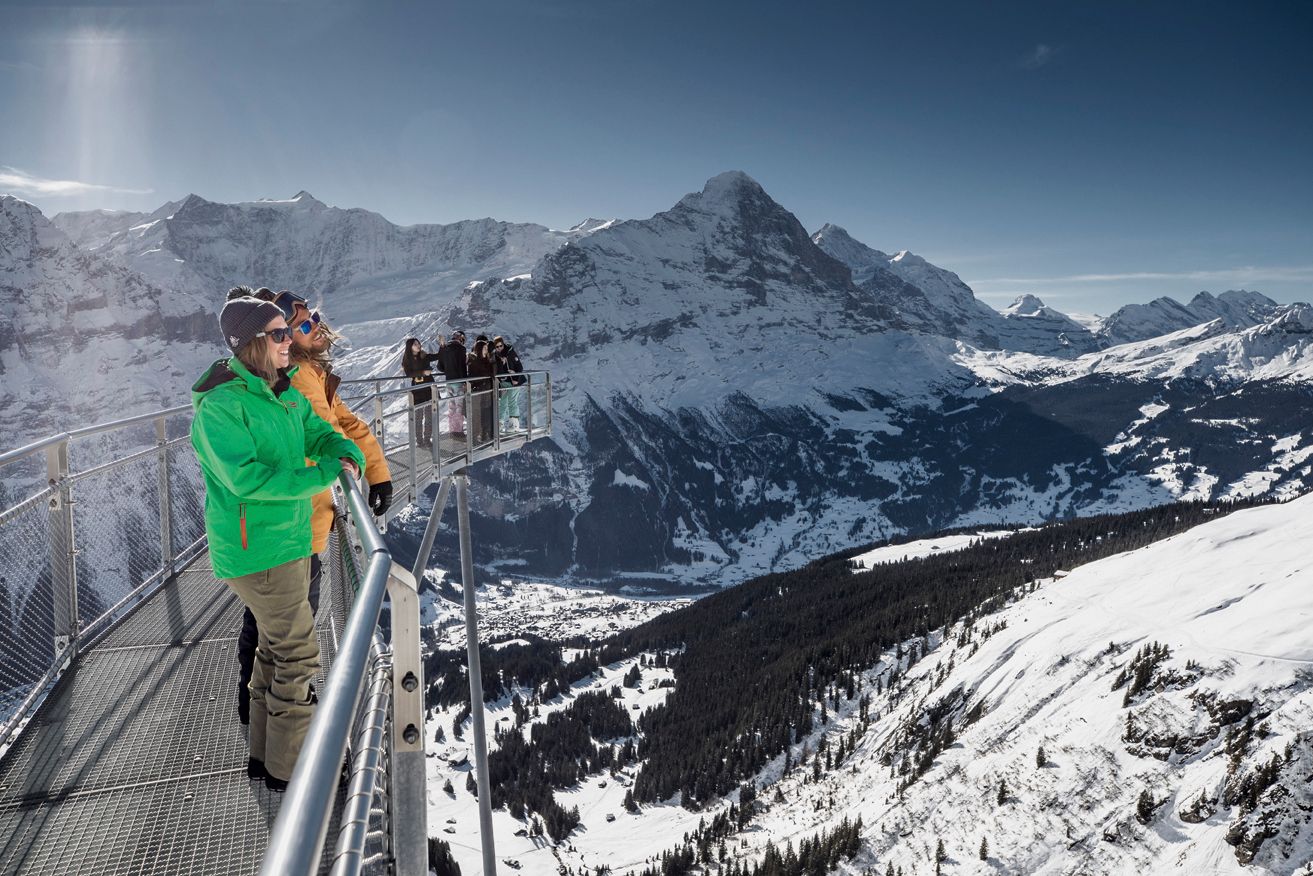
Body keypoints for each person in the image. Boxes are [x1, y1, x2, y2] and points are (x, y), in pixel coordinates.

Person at [191, 295, 366, 792]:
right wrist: (323, 475)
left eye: (288, 332)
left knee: (274, 649)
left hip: (285, 541)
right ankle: (294, 772)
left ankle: (266, 757)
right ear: (250, 344)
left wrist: (343, 451)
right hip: (257, 550)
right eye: (279, 333)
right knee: (297, 654)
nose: (290, 339)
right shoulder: (222, 406)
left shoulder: (281, 392)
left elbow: (318, 432)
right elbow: (247, 480)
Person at [228, 287, 393, 730]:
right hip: (295, 523)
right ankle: (282, 725)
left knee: (277, 627)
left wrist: (373, 467)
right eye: (295, 327)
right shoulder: (295, 378)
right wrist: (340, 471)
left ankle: (266, 714)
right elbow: (321, 436)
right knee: (289, 635)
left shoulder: (303, 375)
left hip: (297, 519)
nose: (312, 327)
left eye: (311, 317)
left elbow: (336, 429)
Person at [402, 336, 443, 447]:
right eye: (415, 344)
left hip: (429, 388)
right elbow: (409, 373)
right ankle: (419, 441)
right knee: (418, 417)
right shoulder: (407, 359)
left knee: (429, 416)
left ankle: (427, 439)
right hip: (417, 390)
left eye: (418, 343)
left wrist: (442, 345)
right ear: (410, 347)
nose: (418, 345)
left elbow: (439, 356)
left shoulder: (424, 356)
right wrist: (423, 372)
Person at [437, 330, 468, 438]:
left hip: (449, 382)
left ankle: (452, 431)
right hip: (459, 382)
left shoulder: (445, 348)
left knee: (452, 408)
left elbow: (440, 367)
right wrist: (465, 381)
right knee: (459, 408)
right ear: (462, 339)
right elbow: (463, 368)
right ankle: (458, 432)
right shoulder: (462, 349)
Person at [492, 335, 526, 432]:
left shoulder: (510, 352)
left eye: (500, 346)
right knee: (502, 403)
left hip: (514, 382)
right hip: (503, 383)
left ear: (503, 344)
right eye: (497, 347)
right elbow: (497, 372)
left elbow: (519, 367)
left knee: (512, 402)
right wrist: (502, 364)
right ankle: (500, 424)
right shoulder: (495, 356)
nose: (499, 348)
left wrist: (515, 376)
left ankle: (514, 425)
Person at [467, 335, 495, 444]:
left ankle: (484, 435)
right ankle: (474, 438)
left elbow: (493, 373)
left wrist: (491, 359)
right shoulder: (474, 360)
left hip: (487, 391)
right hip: (478, 391)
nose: (486, 350)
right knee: (477, 416)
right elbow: (475, 374)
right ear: (479, 349)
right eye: (484, 348)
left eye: (487, 348)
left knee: (485, 414)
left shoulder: (487, 360)